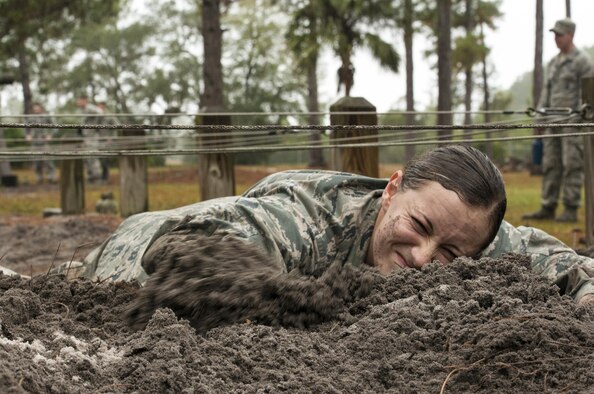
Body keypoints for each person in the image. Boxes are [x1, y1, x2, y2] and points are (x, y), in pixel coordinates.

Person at [72, 145, 594, 305]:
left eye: (451, 255)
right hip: (139, 241)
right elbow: (188, 249)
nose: (422, 255)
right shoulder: (305, 219)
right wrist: (311, 305)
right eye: (417, 224)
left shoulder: (470, 234)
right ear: (392, 189)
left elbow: (570, 269)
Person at [523, 18, 594, 223]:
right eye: (554, 34)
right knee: (550, 164)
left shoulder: (583, 62)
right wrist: (539, 118)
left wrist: (580, 115)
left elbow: (588, 94)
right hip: (552, 122)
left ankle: (570, 208)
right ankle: (548, 205)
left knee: (572, 164)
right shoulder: (554, 63)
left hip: (573, 124)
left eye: (559, 34)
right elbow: (546, 92)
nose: (555, 38)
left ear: (570, 35)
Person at [24, 102, 57, 184]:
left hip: (44, 142)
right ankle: (39, 178)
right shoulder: (30, 118)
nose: (36, 110)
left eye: (37, 108)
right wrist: (27, 135)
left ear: (40, 108)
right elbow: (24, 127)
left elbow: (55, 127)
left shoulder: (46, 116)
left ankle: (51, 177)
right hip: (34, 142)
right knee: (36, 161)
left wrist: (50, 135)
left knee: (49, 160)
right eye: (34, 108)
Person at [75, 95, 103, 183]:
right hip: (86, 137)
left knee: (93, 156)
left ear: (84, 100)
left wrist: (97, 125)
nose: (78, 103)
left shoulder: (89, 107)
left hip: (92, 136)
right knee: (87, 157)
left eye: (79, 100)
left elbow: (100, 112)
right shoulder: (82, 110)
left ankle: (97, 177)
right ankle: (91, 176)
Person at [96, 101, 118, 183]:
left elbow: (117, 126)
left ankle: (105, 178)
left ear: (104, 107)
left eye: (100, 107)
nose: (99, 108)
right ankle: (102, 177)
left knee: (105, 159)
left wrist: (111, 138)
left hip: (107, 141)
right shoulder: (97, 117)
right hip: (99, 140)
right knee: (99, 159)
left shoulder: (110, 116)